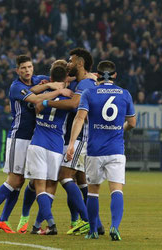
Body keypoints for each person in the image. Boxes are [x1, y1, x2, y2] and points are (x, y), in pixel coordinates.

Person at [0, 55, 71, 234]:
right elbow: (36, 99)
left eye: (29, 67)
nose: (27, 71)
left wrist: (79, 77)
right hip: (19, 138)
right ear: (17, 70)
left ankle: (3, 220)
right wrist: (56, 90)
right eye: (23, 68)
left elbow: (55, 78)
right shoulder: (16, 87)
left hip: (34, 138)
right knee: (15, 179)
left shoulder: (35, 80)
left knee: (21, 182)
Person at [66, 60, 136, 240]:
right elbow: (133, 123)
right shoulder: (125, 94)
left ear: (96, 75)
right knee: (116, 190)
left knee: (93, 192)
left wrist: (72, 143)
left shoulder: (89, 93)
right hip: (116, 150)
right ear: (115, 75)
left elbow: (80, 119)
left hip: (95, 150)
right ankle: (114, 227)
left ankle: (93, 231)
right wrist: (121, 129)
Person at [37, 48, 102, 235]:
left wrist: (48, 102)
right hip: (76, 137)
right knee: (80, 180)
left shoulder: (86, 84)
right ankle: (92, 223)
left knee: (64, 176)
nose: (69, 64)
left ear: (80, 63)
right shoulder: (82, 81)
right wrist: (49, 84)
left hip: (79, 137)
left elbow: (74, 104)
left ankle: (89, 221)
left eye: (71, 61)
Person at [25, 65, 70, 235]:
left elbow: (32, 96)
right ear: (66, 78)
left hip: (38, 143)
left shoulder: (41, 97)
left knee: (40, 186)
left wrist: (50, 88)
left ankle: (49, 224)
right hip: (56, 147)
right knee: (51, 186)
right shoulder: (68, 97)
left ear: (50, 78)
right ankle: (38, 226)